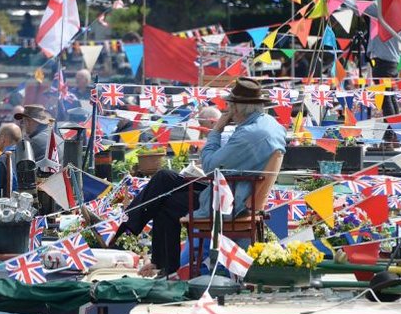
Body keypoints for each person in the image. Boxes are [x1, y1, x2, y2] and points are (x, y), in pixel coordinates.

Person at [113, 78, 287, 275]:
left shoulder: (248, 134)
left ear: (237, 108)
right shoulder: (270, 124)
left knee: (164, 203)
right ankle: (131, 231)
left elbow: (209, 164)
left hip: (228, 202)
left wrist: (217, 129)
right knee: (164, 178)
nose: (227, 110)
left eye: (229, 106)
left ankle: (127, 232)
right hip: (232, 189)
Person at [14, 104, 57, 174]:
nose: (23, 124)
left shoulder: (34, 142)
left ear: (29, 122)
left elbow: (21, 170)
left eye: (23, 121)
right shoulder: (54, 136)